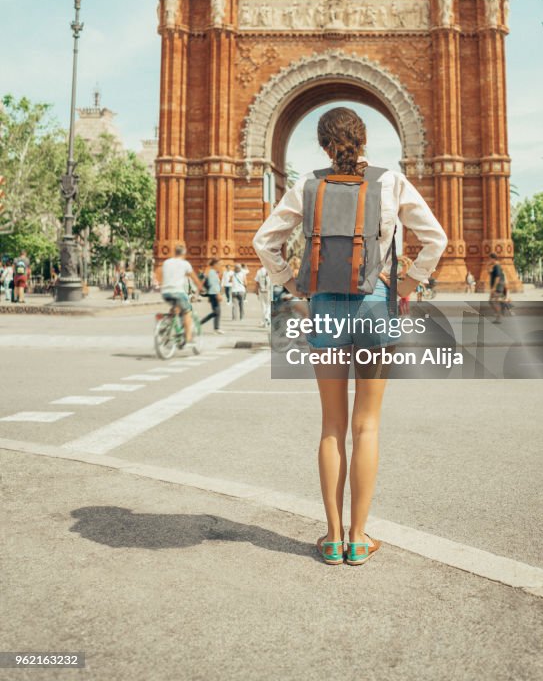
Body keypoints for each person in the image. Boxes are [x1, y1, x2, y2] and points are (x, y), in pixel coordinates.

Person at [253, 106, 447, 567]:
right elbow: (435, 238)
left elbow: (264, 241)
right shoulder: (391, 182)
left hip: (324, 308)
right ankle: (360, 539)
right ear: (364, 142)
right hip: (376, 305)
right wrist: (406, 281)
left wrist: (289, 281)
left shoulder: (307, 184)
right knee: (367, 426)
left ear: (323, 145)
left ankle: (333, 536)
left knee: (332, 428)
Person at [156, 244, 203, 345]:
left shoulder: (166, 262)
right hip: (177, 292)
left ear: (175, 252)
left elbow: (159, 273)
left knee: (176, 309)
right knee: (187, 311)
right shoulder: (185, 264)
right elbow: (194, 278)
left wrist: (161, 284)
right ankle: (188, 337)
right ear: (184, 253)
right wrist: (200, 288)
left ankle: (165, 327)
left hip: (165, 292)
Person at [200, 258, 224, 334]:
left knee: (217, 312)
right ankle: (199, 323)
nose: (220, 266)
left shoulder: (213, 272)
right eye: (219, 264)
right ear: (215, 265)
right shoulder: (212, 273)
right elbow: (213, 285)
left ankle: (216, 328)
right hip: (214, 294)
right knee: (216, 312)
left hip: (213, 294)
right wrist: (218, 294)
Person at [489, 253, 506, 323]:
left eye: (490, 259)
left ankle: (499, 316)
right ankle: (498, 314)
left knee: (494, 302)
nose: (489, 260)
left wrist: (494, 288)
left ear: (493, 258)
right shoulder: (495, 266)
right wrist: (488, 265)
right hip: (497, 287)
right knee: (492, 301)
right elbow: (489, 273)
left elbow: (497, 277)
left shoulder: (497, 266)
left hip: (497, 287)